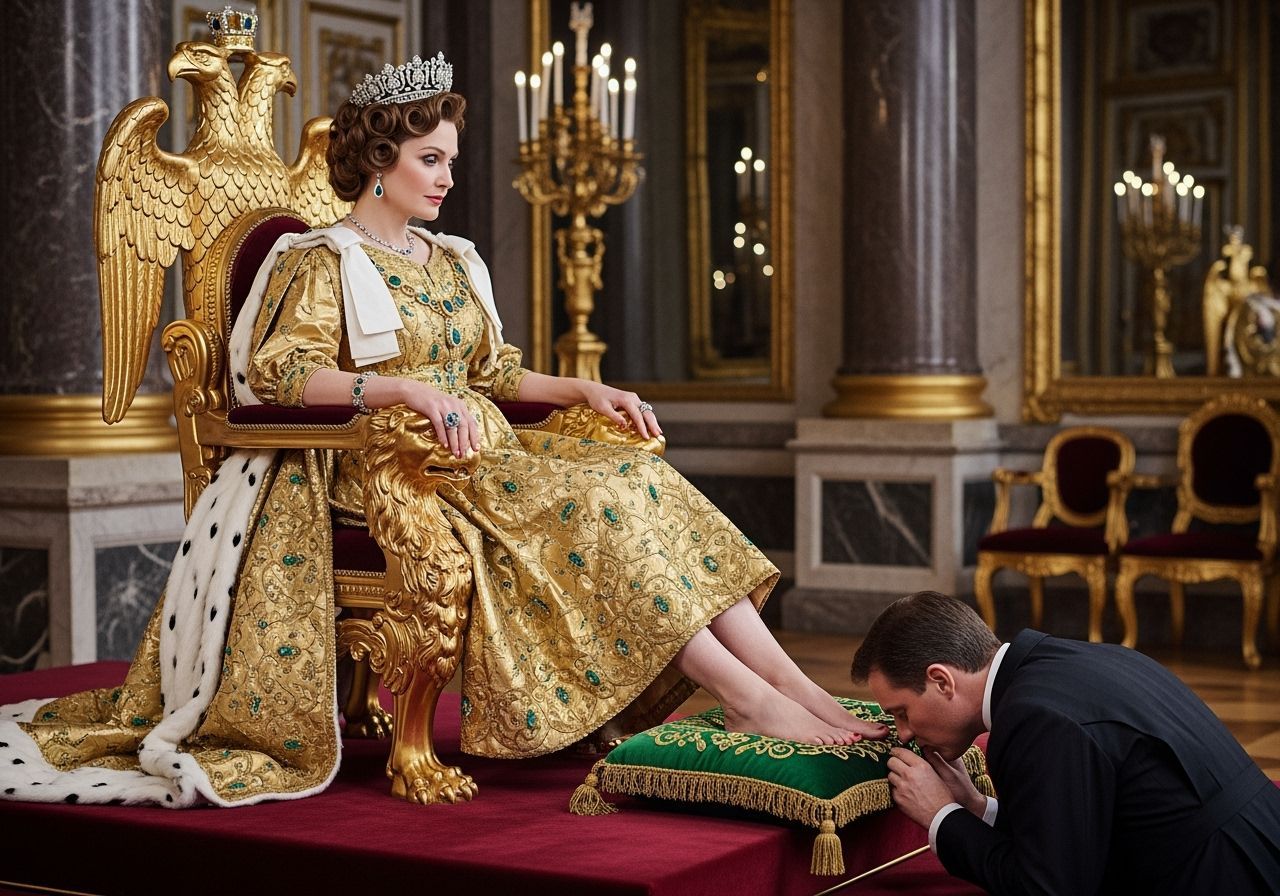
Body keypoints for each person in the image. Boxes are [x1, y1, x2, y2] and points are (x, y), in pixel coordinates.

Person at [0, 54, 882, 809]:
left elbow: (495, 375)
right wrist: (400, 391)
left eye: (450, 159)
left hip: (486, 449)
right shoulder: (322, 260)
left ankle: (788, 684)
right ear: (378, 163)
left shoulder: (451, 260)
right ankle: (743, 696)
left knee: (638, 480)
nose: (448, 177)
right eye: (432, 159)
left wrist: (584, 386)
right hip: (392, 463)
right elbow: (280, 374)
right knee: (597, 503)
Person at [850, 590, 1280, 894]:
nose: (904, 733)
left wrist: (941, 816)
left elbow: (1049, 888)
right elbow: (1081, 830)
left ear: (941, 680)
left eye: (902, 712)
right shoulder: (1066, 663)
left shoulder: (1033, 718)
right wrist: (977, 808)